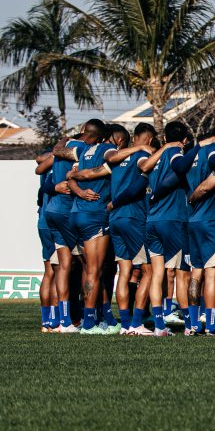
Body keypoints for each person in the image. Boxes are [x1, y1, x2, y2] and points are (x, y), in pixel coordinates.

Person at [70, 124, 156, 334]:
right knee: (149, 272)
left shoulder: (107, 159)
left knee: (122, 271)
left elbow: (90, 173)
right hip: (125, 217)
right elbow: (136, 180)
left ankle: (122, 323)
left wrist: (73, 179)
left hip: (108, 219)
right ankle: (132, 323)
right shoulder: (134, 155)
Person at [175, 120, 215, 335]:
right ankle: (210, 325)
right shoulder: (213, 151)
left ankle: (192, 324)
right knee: (212, 275)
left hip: (192, 221)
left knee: (195, 273)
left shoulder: (193, 153)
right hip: (211, 220)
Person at [47, 121, 104, 332]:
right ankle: (88, 317)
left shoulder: (62, 148)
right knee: (89, 265)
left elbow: (42, 163)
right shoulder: (83, 149)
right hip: (67, 210)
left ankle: (64, 321)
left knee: (63, 266)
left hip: (51, 210)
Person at [139, 121, 192, 337]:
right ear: (185, 139)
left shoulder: (156, 155)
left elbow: (143, 168)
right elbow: (179, 167)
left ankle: (159, 326)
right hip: (173, 220)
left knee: (157, 273)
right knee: (182, 275)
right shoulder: (176, 153)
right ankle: (190, 326)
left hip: (152, 220)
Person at [65, 122, 117, 334]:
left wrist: (79, 192)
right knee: (95, 271)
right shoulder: (106, 149)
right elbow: (113, 158)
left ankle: (107, 318)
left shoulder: (82, 150)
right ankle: (88, 323)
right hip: (94, 215)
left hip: (76, 215)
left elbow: (70, 178)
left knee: (89, 270)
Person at [34, 152, 58, 331]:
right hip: (55, 221)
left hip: (43, 221)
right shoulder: (61, 164)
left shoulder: (46, 165)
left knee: (49, 271)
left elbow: (39, 159)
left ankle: (46, 321)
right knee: (61, 271)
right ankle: (57, 321)